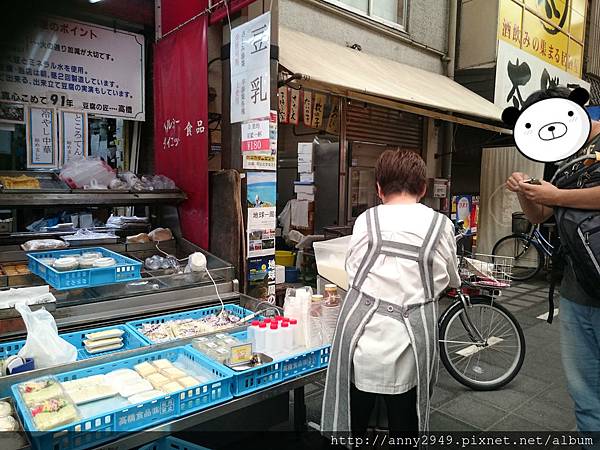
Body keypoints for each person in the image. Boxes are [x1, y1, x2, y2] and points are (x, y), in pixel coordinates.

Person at [321, 149, 460, 440]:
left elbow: (353, 271)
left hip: (362, 336)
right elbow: (447, 277)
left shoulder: (367, 220)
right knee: (406, 417)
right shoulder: (440, 225)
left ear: (379, 188)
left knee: (353, 416)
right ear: (423, 188)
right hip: (411, 340)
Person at [506, 87, 600, 437]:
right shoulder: (565, 158)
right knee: (585, 395)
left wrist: (557, 194)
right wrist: (527, 192)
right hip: (576, 291)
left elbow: (558, 200)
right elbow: (540, 215)